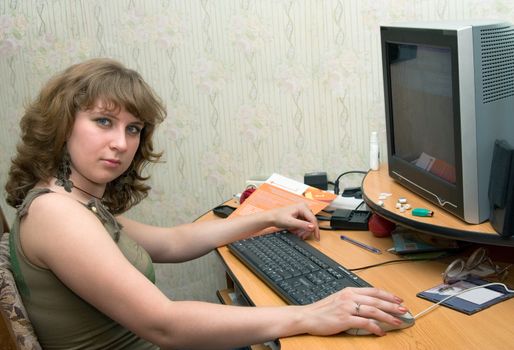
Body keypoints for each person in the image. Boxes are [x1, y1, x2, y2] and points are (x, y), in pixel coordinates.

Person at [5, 58, 410, 350]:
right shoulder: (57, 214)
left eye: (133, 129)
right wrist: (312, 314)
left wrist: (264, 217)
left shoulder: (75, 200)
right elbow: (165, 324)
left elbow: (171, 243)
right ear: (62, 123)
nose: (122, 143)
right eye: (103, 121)